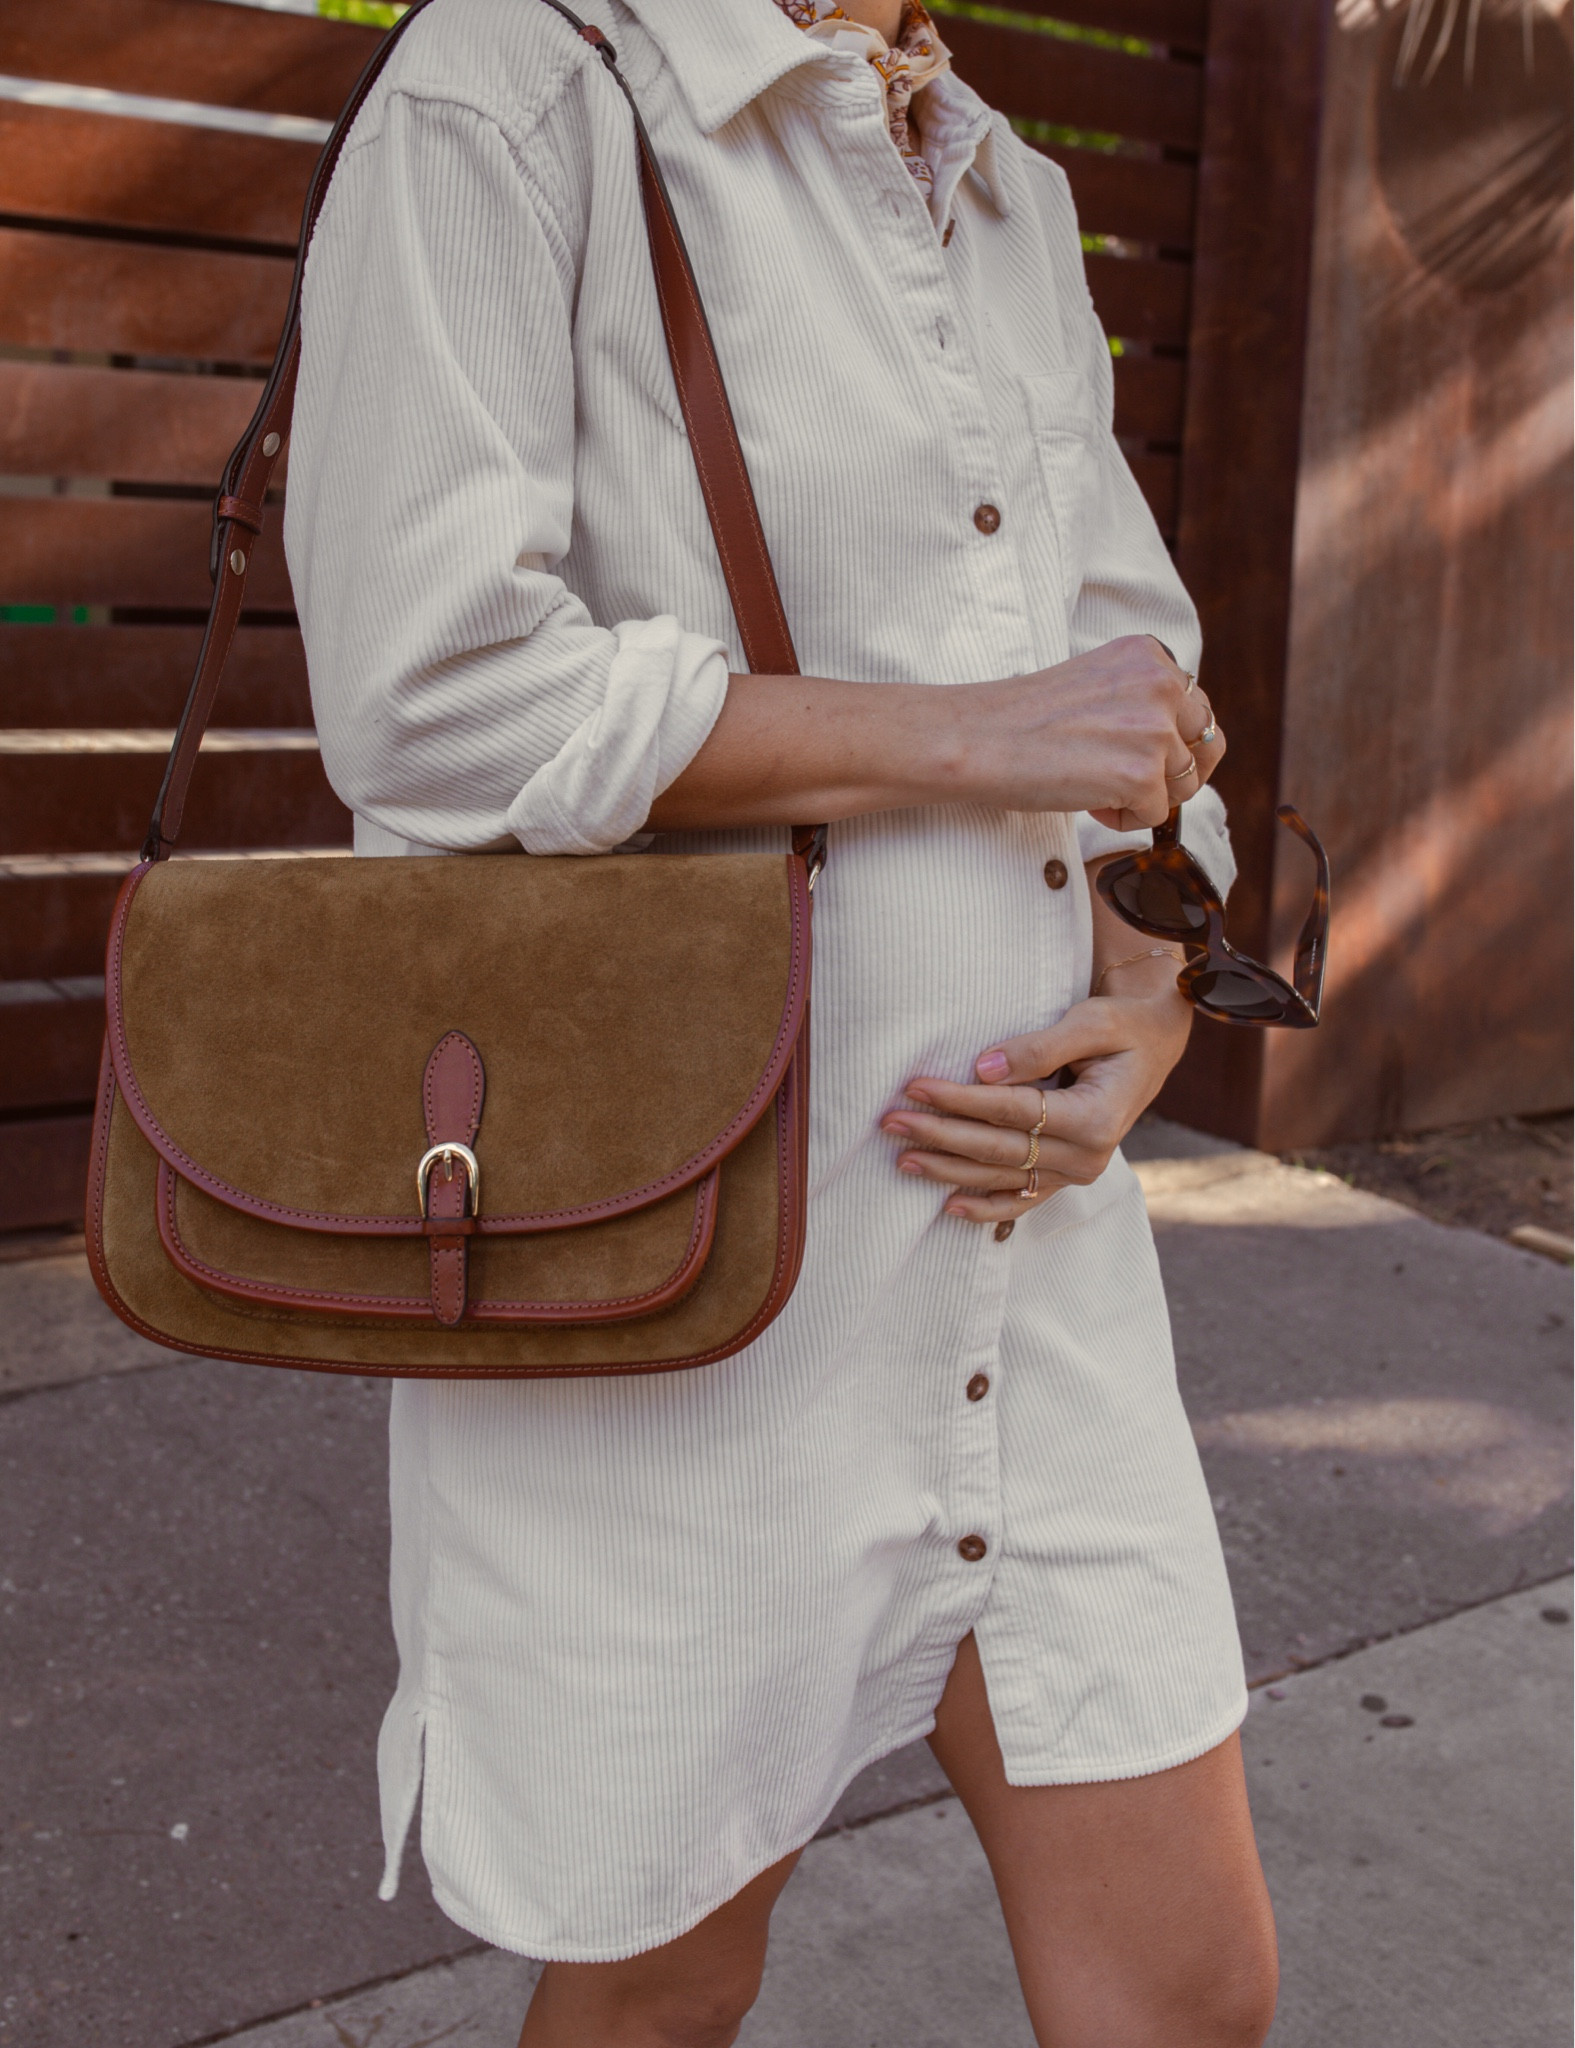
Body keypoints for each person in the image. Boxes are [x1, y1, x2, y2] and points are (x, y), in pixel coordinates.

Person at [284, 0, 1280, 2039]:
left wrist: (1153, 989)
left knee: (1185, 1992)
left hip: (1029, 1256)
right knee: (657, 1984)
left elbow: (1130, 668)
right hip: (692, 1242)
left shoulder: (1003, 178)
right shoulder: (512, 88)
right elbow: (432, 685)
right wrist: (963, 731)